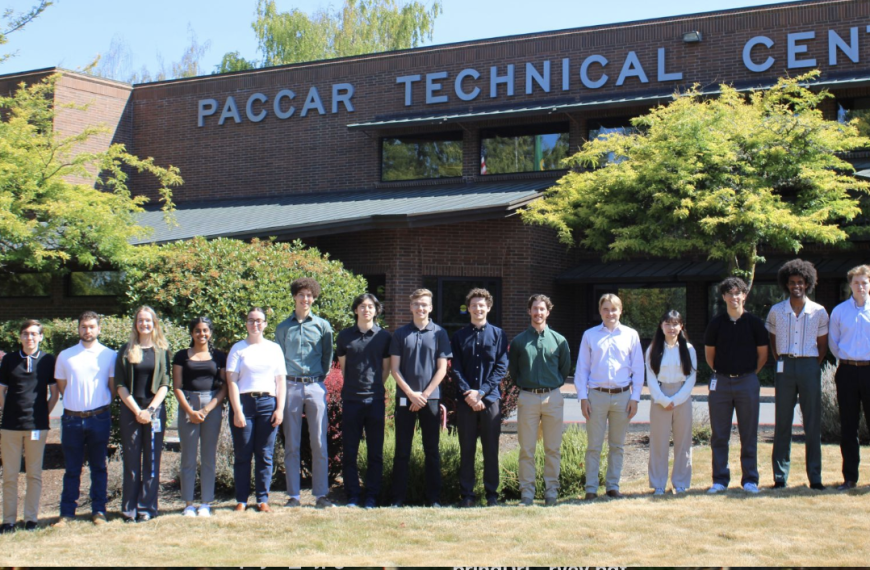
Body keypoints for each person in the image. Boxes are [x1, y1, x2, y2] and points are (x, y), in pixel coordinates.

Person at [766, 259, 828, 490]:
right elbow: (773, 343)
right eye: (792, 282)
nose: (796, 286)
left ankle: (815, 477)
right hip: (785, 366)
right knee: (782, 422)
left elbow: (823, 346)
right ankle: (780, 477)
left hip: (810, 366)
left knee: (812, 422)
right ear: (786, 284)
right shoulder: (776, 311)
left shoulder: (819, 312)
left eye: (800, 282)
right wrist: (784, 360)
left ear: (807, 283)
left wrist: (810, 364)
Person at [704, 276, 769, 494]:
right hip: (721, 383)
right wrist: (726, 374)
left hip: (747, 381)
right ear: (723, 297)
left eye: (738, 293)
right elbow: (709, 356)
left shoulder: (755, 323)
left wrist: (747, 375)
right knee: (719, 434)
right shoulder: (716, 323)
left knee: (748, 433)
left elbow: (762, 355)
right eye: (730, 293)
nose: (734, 297)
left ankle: (750, 479)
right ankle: (720, 479)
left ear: (744, 295)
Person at [576, 293, 644, 500]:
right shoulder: (590, 335)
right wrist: (583, 397)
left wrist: (636, 397)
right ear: (600, 311)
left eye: (613, 309)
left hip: (622, 397)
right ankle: (590, 489)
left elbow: (638, 369)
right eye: (605, 309)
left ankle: (613, 486)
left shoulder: (631, 335)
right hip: (596, 396)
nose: (610, 313)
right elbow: (582, 368)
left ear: (620, 310)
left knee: (617, 445)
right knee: (594, 446)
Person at [274, 278, 335, 509]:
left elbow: (327, 356)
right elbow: (278, 360)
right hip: (290, 387)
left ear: (314, 298)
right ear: (294, 297)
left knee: (319, 441)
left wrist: (319, 378)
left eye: (309, 295)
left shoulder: (322, 326)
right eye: (301, 295)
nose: (305, 299)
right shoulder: (282, 328)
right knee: (292, 442)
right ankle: (293, 496)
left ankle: (321, 495)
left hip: (315, 386)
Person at [53, 311, 117, 526]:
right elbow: (63, 386)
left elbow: (112, 387)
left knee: (99, 466)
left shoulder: (109, 355)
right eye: (83, 326)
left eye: (91, 326)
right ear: (78, 328)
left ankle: (98, 511)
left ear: (99, 329)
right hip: (72, 419)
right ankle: (67, 513)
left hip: (99, 417)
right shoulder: (66, 355)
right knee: (72, 468)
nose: (87, 330)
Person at [390, 288, 452, 507]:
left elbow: (442, 369)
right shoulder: (400, 334)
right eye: (416, 304)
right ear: (411, 307)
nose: (420, 308)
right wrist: (411, 394)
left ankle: (434, 499)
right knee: (402, 450)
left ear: (431, 307)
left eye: (424, 304)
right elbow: (394, 369)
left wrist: (424, 396)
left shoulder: (440, 333)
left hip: (430, 399)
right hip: (405, 398)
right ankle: (397, 499)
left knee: (432, 450)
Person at [508, 294, 571, 507]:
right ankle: (527, 494)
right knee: (527, 449)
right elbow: (514, 372)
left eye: (542, 309)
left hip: (553, 397)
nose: (538, 313)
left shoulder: (559, 341)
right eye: (534, 309)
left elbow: (564, 370)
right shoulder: (518, 342)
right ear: (529, 311)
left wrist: (551, 387)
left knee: (552, 448)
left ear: (548, 312)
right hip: (527, 397)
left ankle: (551, 493)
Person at [114, 306, 173, 522]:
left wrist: (149, 410)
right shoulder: (126, 350)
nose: (144, 324)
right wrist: (137, 411)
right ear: (135, 324)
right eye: (140, 320)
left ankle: (147, 508)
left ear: (154, 323)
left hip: (154, 412)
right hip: (131, 411)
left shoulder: (162, 350)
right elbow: (120, 384)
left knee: (151, 461)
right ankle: (129, 509)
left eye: (148, 320)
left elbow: (166, 384)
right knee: (131, 461)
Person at [450, 288, 508, 508]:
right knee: (467, 448)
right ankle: (467, 495)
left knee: (491, 448)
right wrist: (469, 393)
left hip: (490, 399)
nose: (477, 309)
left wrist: (481, 392)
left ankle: (492, 494)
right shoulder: (459, 336)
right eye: (473, 305)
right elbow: (455, 368)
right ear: (468, 308)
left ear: (489, 307)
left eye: (481, 305)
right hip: (466, 401)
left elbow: (501, 367)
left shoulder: (499, 335)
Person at [0, 320, 59, 532]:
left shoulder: (47, 360)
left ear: (41, 337)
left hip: (37, 427)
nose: (29, 338)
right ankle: (8, 521)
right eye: (25, 334)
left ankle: (31, 519)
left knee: (34, 475)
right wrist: (10, 412)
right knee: (10, 475)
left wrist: (43, 413)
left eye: (34, 334)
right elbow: (1, 391)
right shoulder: (9, 360)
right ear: (20, 337)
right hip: (10, 428)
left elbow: (54, 394)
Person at [227, 307, 286, 512]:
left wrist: (280, 409)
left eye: (259, 320)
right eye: (251, 320)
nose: (255, 324)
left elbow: (280, 381)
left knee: (265, 454)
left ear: (265, 324)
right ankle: (241, 500)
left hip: (268, 403)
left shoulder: (274, 349)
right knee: (243, 454)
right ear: (246, 323)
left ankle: (262, 499)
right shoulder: (238, 349)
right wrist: (237, 410)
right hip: (244, 403)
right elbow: (232, 382)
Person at [336, 293, 391, 509]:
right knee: (349, 450)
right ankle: (352, 495)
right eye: (361, 306)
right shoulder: (344, 337)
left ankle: (371, 496)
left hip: (375, 400)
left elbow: (386, 369)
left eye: (370, 307)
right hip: (351, 400)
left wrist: (374, 386)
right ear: (356, 310)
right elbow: (343, 367)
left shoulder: (384, 337)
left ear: (376, 311)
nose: (366, 310)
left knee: (375, 452)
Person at [173, 316, 227, 517]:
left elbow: (224, 387)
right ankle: (188, 503)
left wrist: (206, 410)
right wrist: (190, 411)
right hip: (188, 405)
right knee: (188, 456)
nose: (201, 334)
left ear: (210, 332)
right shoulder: (181, 356)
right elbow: (176, 386)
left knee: (208, 457)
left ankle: (206, 502)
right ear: (191, 332)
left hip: (211, 407)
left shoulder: (219, 357)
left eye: (205, 330)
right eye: (197, 330)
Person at [645, 310, 696, 495]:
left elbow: (691, 377)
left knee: (683, 442)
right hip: (660, 397)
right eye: (667, 323)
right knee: (659, 442)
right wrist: (663, 400)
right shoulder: (653, 349)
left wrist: (676, 399)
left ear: (681, 326)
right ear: (661, 326)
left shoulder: (689, 349)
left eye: (675, 324)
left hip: (682, 396)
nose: (671, 328)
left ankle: (680, 482)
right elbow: (650, 378)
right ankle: (658, 483)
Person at [829, 264, 870, 491]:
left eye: (864, 282)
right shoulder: (839, 311)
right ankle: (850, 478)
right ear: (850, 285)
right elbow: (834, 344)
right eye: (856, 283)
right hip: (846, 371)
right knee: (848, 426)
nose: (860, 287)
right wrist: (847, 360)